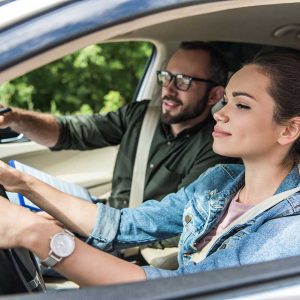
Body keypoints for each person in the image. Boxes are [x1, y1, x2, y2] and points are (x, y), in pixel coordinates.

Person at [1, 49, 300, 286]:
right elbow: (122, 224)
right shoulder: (220, 182)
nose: (219, 114)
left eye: (242, 105)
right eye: (225, 102)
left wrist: (36, 234)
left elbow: (186, 288)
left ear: (288, 130)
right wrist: (18, 181)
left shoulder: (290, 228)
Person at [0, 41, 231, 210]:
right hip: (108, 220)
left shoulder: (215, 149)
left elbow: (180, 220)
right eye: (166, 77)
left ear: (214, 95)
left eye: (183, 82)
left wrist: (84, 227)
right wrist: (14, 118)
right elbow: (70, 132)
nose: (168, 89)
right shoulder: (140, 115)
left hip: (135, 246)